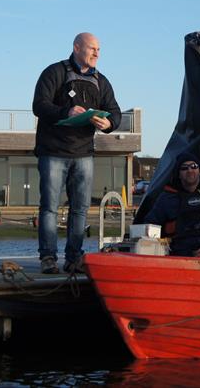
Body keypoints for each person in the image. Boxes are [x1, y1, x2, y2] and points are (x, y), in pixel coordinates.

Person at [32, 32, 121, 274]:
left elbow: (115, 112)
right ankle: (48, 258)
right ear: (76, 47)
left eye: (99, 50)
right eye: (92, 48)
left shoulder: (101, 81)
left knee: (80, 209)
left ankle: (74, 258)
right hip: (53, 152)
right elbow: (39, 105)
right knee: (49, 207)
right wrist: (67, 112)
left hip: (84, 155)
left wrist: (109, 124)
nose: (97, 54)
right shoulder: (54, 72)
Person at [144, 152, 200, 258]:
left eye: (194, 166)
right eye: (184, 168)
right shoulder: (166, 198)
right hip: (179, 256)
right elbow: (150, 225)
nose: (190, 170)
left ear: (199, 171)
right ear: (178, 174)